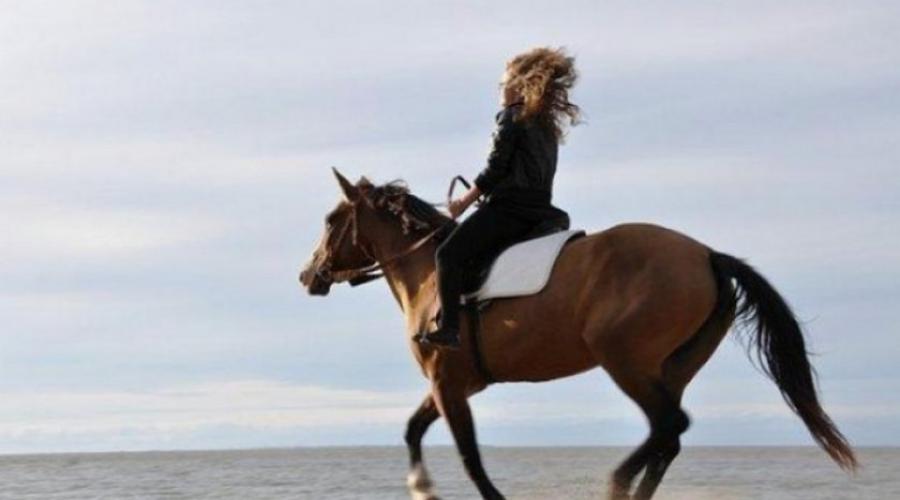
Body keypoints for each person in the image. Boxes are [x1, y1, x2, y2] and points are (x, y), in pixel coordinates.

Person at [419, 47, 581, 349]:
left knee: (447, 255)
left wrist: (463, 203)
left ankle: (450, 329)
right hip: (543, 212)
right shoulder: (546, 125)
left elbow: (495, 169)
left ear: (518, 86)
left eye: (502, 83)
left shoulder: (511, 117)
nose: (500, 90)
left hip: (509, 211)